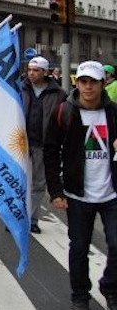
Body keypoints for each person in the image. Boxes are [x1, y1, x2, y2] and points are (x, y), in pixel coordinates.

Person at [45, 61, 117, 310]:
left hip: (111, 193)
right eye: (83, 81)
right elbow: (51, 151)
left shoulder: (113, 113)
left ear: (102, 83)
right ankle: (80, 295)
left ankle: (110, 286)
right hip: (78, 195)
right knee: (79, 248)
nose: (87, 87)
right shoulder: (65, 111)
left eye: (93, 82)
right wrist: (55, 190)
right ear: (78, 83)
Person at [20, 56, 66, 234]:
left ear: (45, 72)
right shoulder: (20, 88)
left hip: (43, 145)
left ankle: (32, 219)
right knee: (19, 183)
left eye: (36, 70)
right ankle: (17, 218)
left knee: (38, 184)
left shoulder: (59, 94)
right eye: (30, 69)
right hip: (20, 144)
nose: (31, 73)